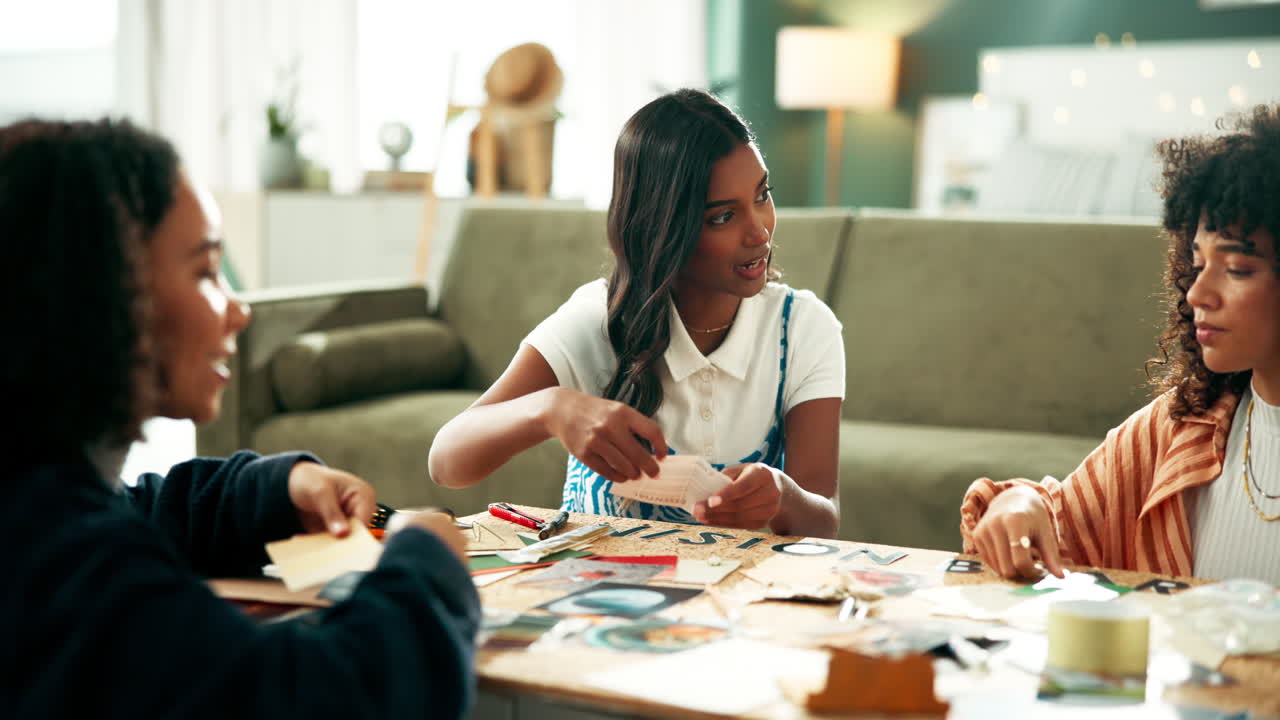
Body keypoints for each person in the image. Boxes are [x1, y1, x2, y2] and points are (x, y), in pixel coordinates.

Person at [0, 119, 479, 718]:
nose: (239, 311)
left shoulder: (38, 503)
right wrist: (427, 565)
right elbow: (334, 699)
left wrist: (269, 490)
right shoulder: (68, 567)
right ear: (99, 296)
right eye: (205, 272)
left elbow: (127, 509)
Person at [429, 89, 844, 537]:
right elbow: (447, 461)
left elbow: (824, 522)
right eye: (722, 217)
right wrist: (551, 408)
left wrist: (783, 496)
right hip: (603, 599)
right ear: (663, 225)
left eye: (762, 194)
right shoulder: (599, 319)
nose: (759, 229)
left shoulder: (802, 327)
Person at [960, 104, 1280, 583]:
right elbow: (1056, 519)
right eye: (1196, 264)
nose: (1198, 293)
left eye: (1236, 269)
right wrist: (1017, 502)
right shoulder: (1183, 427)